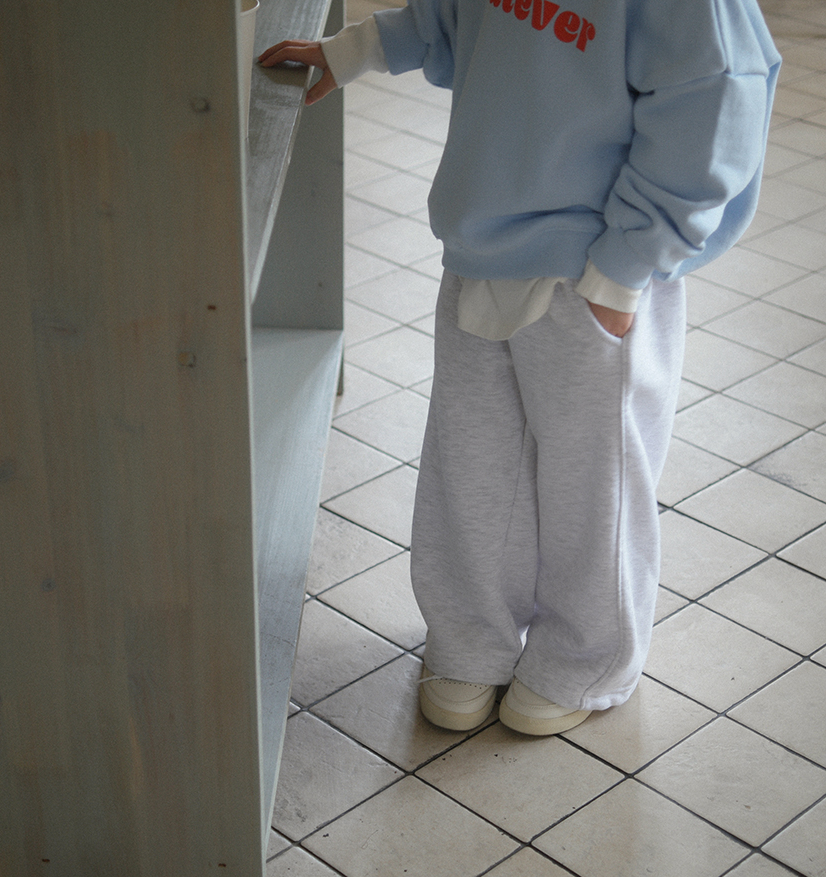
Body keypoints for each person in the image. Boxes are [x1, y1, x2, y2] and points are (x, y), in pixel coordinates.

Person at [261, 0, 780, 735]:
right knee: (472, 458)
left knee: (591, 478)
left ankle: (585, 658)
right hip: (484, 234)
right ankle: (471, 636)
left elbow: (717, 94)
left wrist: (629, 263)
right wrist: (360, 48)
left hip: (599, 262)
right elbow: (460, 16)